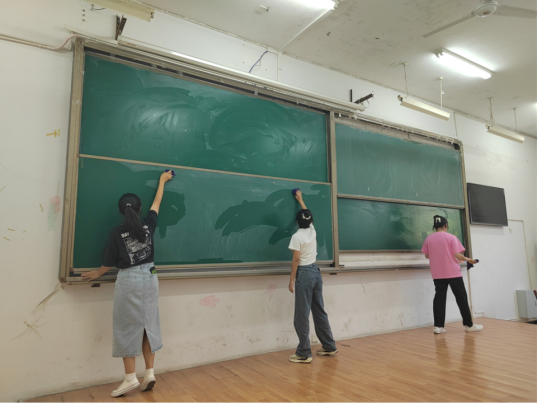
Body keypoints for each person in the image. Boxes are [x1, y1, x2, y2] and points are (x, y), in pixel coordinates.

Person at [81, 170, 173, 397]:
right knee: (149, 324)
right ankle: (149, 373)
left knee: (126, 327)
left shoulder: (116, 232)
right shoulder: (148, 226)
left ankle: (130, 378)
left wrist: (97, 273)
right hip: (150, 277)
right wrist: (162, 181)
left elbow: (108, 261)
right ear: (140, 210)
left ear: (121, 211)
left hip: (129, 280)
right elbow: (157, 203)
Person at [287, 190, 338, 363]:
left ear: (297, 222)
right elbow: (309, 216)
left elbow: (296, 259)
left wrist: (291, 279)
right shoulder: (312, 230)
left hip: (304, 274)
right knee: (319, 311)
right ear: (310, 221)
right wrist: (301, 201)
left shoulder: (297, 236)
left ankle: (303, 353)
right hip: (316, 273)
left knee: (301, 315)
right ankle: (329, 345)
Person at [422, 215, 483, 334]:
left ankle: (438, 326)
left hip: (437, 274)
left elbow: (427, 255)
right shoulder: (451, 237)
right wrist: (468, 260)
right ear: (446, 225)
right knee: (461, 298)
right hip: (453, 273)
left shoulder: (429, 239)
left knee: (439, 298)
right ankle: (469, 325)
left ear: (435, 226)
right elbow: (457, 255)